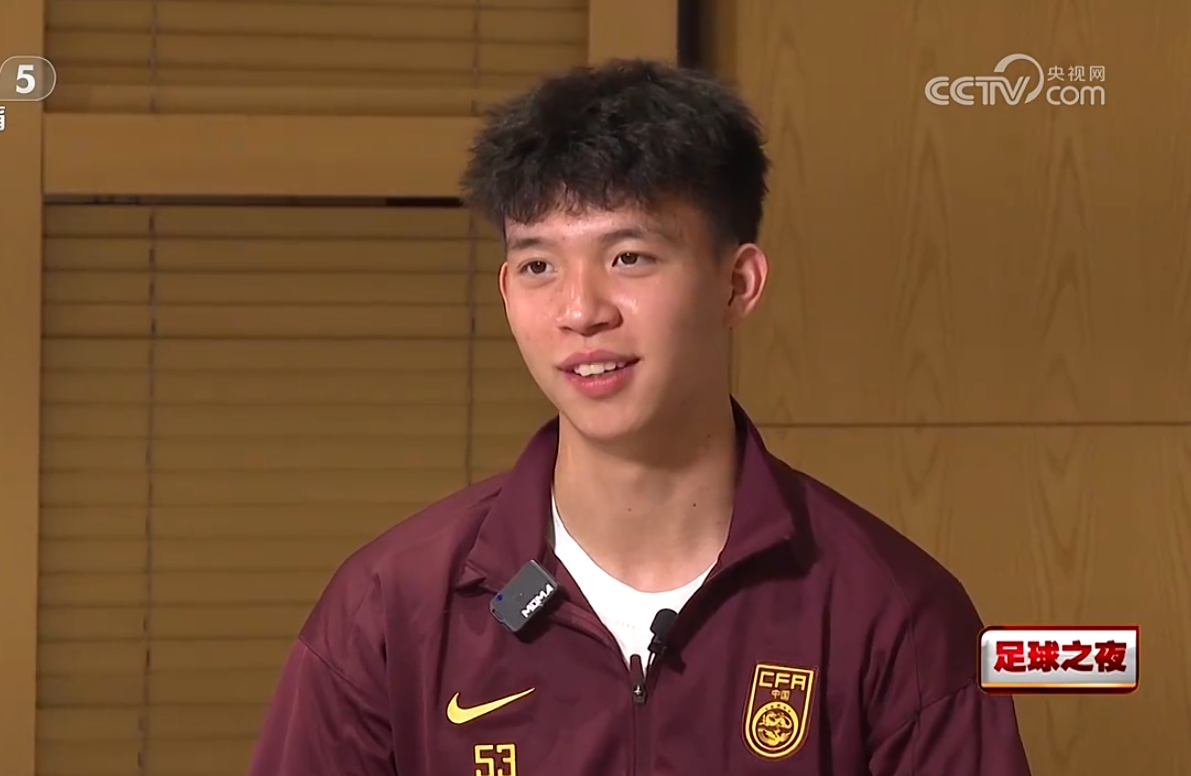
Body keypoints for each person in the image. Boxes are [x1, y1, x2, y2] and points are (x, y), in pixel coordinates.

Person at [247, 59, 1032, 776]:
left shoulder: (893, 615)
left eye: (629, 257)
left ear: (738, 285)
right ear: (507, 293)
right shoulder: (391, 610)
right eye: (539, 265)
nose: (580, 311)